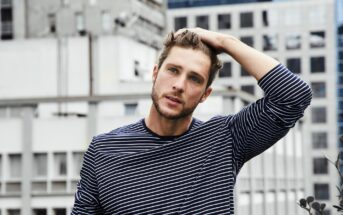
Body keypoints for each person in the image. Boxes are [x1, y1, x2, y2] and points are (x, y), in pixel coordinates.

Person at [71, 28, 312, 214]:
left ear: (205, 94)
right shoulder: (103, 149)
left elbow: (293, 96)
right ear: (155, 73)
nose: (179, 85)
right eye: (173, 70)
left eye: (195, 79)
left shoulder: (225, 139)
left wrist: (225, 42)